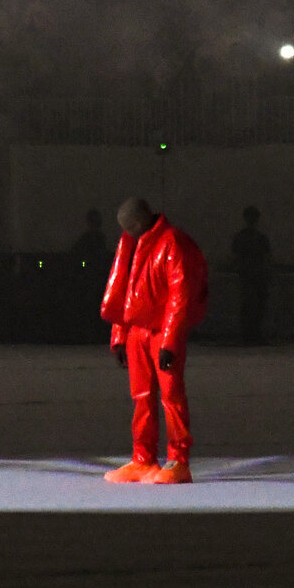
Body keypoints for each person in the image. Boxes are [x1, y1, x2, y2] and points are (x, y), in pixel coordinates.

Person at [100, 196, 207, 484]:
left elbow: (179, 295)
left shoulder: (171, 243)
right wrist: (120, 335)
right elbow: (125, 290)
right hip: (137, 331)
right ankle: (142, 458)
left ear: (136, 223)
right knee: (142, 397)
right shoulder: (132, 244)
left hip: (161, 331)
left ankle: (178, 461)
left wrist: (170, 342)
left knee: (171, 396)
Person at [230, 206, 272, 345]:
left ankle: (251, 334)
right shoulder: (255, 238)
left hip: (253, 274)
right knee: (251, 305)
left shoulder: (250, 237)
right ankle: (250, 334)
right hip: (251, 274)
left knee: (254, 305)